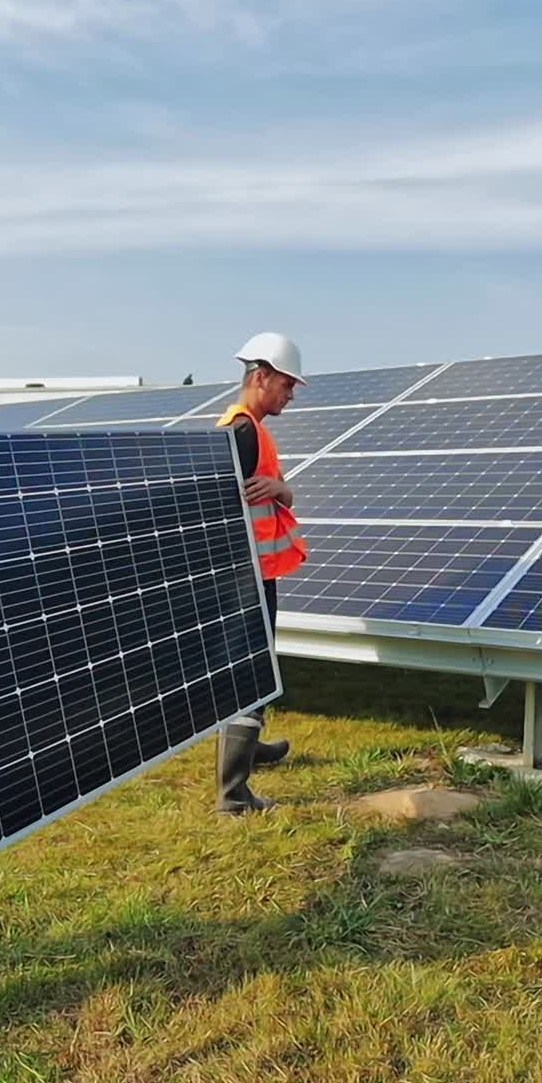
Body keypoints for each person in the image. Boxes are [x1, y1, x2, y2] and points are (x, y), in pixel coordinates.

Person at [214, 333, 308, 814]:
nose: (290, 395)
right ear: (261, 377)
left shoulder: (252, 429)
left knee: (259, 665)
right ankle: (233, 795)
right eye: (286, 385)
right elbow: (218, 507)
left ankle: (250, 749)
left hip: (258, 571)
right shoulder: (241, 433)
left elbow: (276, 494)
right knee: (249, 671)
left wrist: (278, 488)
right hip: (242, 578)